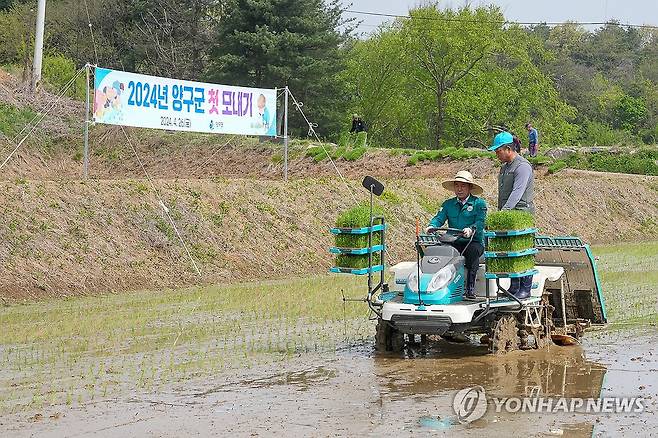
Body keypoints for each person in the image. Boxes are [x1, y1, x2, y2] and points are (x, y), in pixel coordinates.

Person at [426, 170, 487, 301]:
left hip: (472, 242)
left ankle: (470, 288)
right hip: (452, 241)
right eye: (457, 185)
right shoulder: (448, 204)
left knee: (472, 253)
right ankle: (435, 286)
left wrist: (470, 229)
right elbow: (439, 218)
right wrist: (432, 225)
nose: (459, 189)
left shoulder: (479, 204)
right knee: (437, 251)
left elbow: (480, 222)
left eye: (463, 186)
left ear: (470, 187)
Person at [488, 131, 535, 299]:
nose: (496, 154)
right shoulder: (504, 167)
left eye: (498, 150)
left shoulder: (522, 166)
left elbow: (517, 192)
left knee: (522, 250)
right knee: (509, 251)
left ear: (508, 148)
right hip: (507, 215)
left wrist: (505, 211)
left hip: (521, 214)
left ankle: (525, 287)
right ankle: (514, 286)